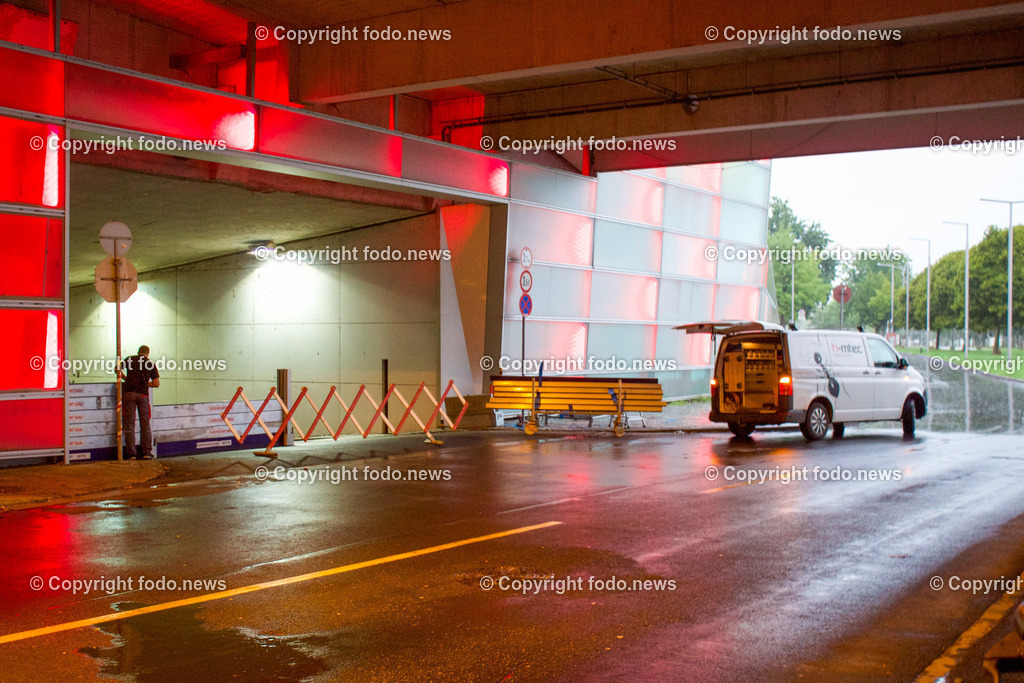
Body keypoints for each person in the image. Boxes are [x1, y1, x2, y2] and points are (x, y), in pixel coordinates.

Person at [120, 345, 160, 459]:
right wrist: (144, 384)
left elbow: (117, 369)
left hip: (129, 394)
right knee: (145, 424)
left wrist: (126, 379)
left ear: (138, 352)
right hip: (143, 395)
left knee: (129, 425)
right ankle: (146, 452)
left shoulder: (130, 359)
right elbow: (156, 383)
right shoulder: (150, 363)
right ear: (147, 353)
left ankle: (131, 454)